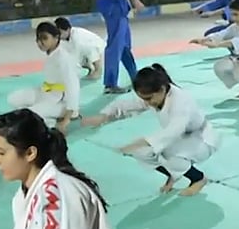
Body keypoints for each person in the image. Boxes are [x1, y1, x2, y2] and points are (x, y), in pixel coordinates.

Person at [81, 64, 219, 197]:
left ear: (162, 89)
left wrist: (141, 142)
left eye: (148, 98)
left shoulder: (180, 101)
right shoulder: (155, 94)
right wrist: (104, 116)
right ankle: (173, 174)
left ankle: (198, 179)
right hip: (180, 138)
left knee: (170, 156)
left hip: (201, 139)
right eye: (143, 99)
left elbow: (174, 130)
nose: (147, 102)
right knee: (142, 152)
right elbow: (128, 105)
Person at [8, 22, 82, 134]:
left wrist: (66, 119)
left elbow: (73, 87)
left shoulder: (63, 58)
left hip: (62, 102)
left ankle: (49, 124)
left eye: (44, 38)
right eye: (38, 39)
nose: (40, 42)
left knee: (29, 114)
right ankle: (43, 116)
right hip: (47, 93)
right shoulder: (53, 53)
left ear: (56, 38)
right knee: (14, 99)